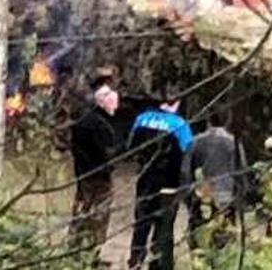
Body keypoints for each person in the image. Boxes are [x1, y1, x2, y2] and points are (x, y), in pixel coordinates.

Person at [127, 99, 193, 270]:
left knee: (141, 220)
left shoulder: (142, 119)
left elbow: (131, 148)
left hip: (145, 177)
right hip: (169, 181)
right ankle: (157, 263)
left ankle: (135, 259)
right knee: (163, 223)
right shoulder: (179, 124)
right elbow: (188, 152)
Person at [68, 77, 122, 260]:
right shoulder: (102, 126)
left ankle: (73, 248)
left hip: (82, 175)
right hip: (100, 178)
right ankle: (92, 253)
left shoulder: (81, 122)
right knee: (99, 215)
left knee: (81, 211)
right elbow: (107, 154)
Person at [181, 111, 247, 248]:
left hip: (201, 197)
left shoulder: (195, 142)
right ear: (227, 121)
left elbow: (185, 172)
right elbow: (242, 171)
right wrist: (240, 197)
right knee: (225, 244)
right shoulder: (233, 142)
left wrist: (189, 198)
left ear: (208, 121)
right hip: (226, 198)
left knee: (199, 243)